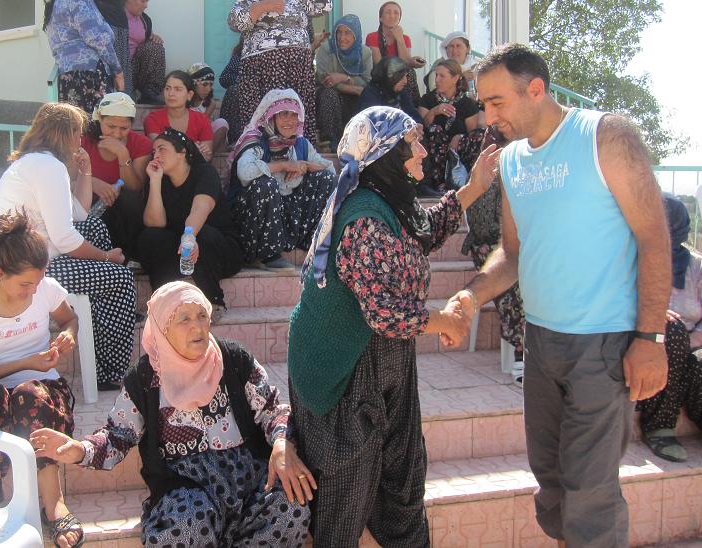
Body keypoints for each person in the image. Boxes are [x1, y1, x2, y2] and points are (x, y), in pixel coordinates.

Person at [458, 43, 670, 547]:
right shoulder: (511, 160)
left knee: (590, 493)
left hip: (603, 344)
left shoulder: (605, 136)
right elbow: (512, 254)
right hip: (541, 343)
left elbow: (653, 237)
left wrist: (651, 337)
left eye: (497, 102)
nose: (488, 116)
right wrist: (470, 296)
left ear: (536, 89)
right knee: (552, 485)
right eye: (483, 104)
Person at [287, 106, 500, 546]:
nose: (422, 151)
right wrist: (445, 320)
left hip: (384, 354)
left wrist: (475, 186)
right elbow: (384, 311)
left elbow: (425, 229)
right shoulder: (364, 218)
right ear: (384, 156)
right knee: (349, 486)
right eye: (411, 143)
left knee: (401, 473)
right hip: (345, 367)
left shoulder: (389, 201)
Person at [31, 281, 313, 546]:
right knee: (188, 521)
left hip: (247, 475)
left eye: (202, 316)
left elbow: (272, 409)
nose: (197, 326)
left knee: (291, 506)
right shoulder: (144, 378)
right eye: (184, 319)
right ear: (162, 328)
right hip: (186, 483)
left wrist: (281, 442)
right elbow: (118, 435)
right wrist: (80, 449)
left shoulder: (234, 359)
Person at [0, 210, 83, 547]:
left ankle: (53, 503)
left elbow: (69, 319)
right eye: (25, 284)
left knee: (30, 396)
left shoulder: (45, 289)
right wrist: (25, 362)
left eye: (38, 281)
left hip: (39, 386)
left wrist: (68, 335)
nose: (33, 290)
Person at [0, 102, 137, 391]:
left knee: (95, 227)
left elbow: (80, 216)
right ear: (66, 134)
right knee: (122, 279)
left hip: (30, 256)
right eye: (77, 133)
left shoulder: (37, 163)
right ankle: (109, 372)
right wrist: (105, 258)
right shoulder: (49, 167)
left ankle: (102, 311)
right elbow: (65, 239)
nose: (80, 140)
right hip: (36, 268)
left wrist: (85, 172)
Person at [137, 129, 244, 317]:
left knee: (201, 234)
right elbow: (155, 223)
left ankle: (213, 301)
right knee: (151, 237)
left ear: (182, 152)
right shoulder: (159, 178)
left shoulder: (204, 172)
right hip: (182, 252)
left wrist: (189, 237)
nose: (156, 155)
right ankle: (164, 302)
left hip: (219, 249)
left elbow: (200, 208)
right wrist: (154, 181)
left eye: (162, 149)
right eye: (153, 152)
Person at [228, 0, 332, 142]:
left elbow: (325, 6)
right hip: (260, 69)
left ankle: (299, 153)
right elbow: (235, 22)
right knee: (263, 116)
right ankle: (260, 152)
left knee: (296, 112)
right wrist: (263, 6)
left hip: (297, 68)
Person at [229, 89, 335, 269]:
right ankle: (268, 254)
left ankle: (310, 243)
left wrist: (304, 165)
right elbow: (244, 172)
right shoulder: (255, 141)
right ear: (271, 117)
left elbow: (330, 169)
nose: (290, 121)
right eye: (283, 114)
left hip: (286, 216)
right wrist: (284, 165)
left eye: (294, 115)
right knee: (265, 184)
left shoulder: (300, 144)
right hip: (252, 217)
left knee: (326, 178)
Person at [636, 193, 702, 462]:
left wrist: (693, 340)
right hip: (646, 339)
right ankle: (660, 427)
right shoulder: (631, 258)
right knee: (671, 332)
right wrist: (654, 316)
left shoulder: (696, 265)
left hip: (692, 342)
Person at [461, 126, 526, 385]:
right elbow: (481, 223)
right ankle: (521, 351)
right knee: (511, 280)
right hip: (487, 246)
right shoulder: (488, 168)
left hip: (514, 245)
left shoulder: (520, 167)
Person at [44, 0, 124, 114]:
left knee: (77, 125)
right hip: (90, 74)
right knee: (96, 123)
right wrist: (117, 70)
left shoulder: (54, 1)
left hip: (68, 76)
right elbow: (97, 38)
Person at [80, 92, 151, 260]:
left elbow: (135, 187)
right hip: (88, 204)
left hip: (122, 212)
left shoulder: (141, 144)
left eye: (124, 128)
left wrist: (122, 154)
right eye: (111, 126)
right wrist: (93, 182)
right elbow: (67, 177)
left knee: (130, 198)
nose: (117, 134)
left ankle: (127, 256)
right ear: (100, 119)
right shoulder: (84, 140)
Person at [417, 58, 483, 194]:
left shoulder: (467, 103)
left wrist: (460, 136)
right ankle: (438, 184)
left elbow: (472, 132)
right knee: (434, 130)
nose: (437, 80)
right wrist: (434, 111)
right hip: (434, 147)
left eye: (442, 76)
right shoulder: (428, 99)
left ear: (455, 78)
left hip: (457, 149)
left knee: (479, 135)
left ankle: (472, 182)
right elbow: (422, 126)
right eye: (436, 75)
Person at [314, 14, 373, 149]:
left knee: (370, 96)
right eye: (339, 32)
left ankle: (361, 141)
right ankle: (330, 141)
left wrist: (343, 78)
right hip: (329, 96)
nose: (342, 37)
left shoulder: (365, 53)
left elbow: (367, 81)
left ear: (356, 35)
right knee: (329, 94)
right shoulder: (326, 49)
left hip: (352, 96)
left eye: (347, 33)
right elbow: (326, 81)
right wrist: (355, 88)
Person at [144, 70, 215, 161]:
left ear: (189, 95)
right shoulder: (153, 119)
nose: (171, 94)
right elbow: (160, 150)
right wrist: (193, 148)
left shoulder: (202, 119)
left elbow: (207, 156)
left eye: (178, 89)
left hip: (195, 168)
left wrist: (177, 149)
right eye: (167, 88)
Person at [366, 1, 424, 103]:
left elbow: (405, 63)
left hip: (400, 76)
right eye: (388, 12)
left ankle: (412, 105)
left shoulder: (405, 38)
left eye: (396, 13)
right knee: (404, 74)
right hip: (381, 74)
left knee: (410, 73)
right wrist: (408, 62)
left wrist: (399, 39)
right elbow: (380, 64)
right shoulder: (372, 37)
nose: (392, 16)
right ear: (380, 18)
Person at [122, 0, 166, 104]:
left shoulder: (145, 19)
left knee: (155, 48)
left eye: (147, 1)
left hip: (136, 68)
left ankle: (150, 92)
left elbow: (146, 39)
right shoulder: (115, 16)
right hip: (119, 67)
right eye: (143, 1)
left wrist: (154, 37)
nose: (146, 5)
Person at [357, 56, 421, 122]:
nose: (405, 81)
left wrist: (418, 124)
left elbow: (413, 114)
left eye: (406, 76)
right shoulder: (370, 95)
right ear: (390, 77)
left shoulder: (401, 91)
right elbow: (372, 122)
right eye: (401, 78)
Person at [187, 62, 229, 153]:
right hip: (188, 138)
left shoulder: (210, 103)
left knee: (222, 122)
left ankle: (204, 157)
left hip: (204, 138)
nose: (209, 89)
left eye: (211, 85)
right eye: (205, 84)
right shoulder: (183, 101)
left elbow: (201, 126)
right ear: (193, 84)